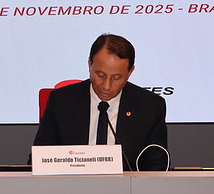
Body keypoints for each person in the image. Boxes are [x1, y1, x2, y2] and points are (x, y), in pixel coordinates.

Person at [33, 33, 168, 170]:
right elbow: (38, 161)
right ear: (89, 64)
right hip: (71, 182)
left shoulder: (150, 107)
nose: (106, 86)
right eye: (100, 75)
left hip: (126, 184)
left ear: (130, 72)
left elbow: (157, 168)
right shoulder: (61, 101)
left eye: (116, 77)